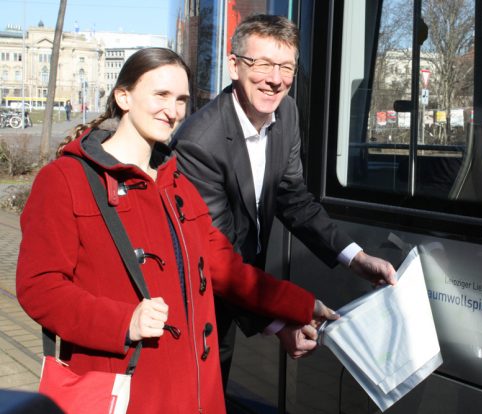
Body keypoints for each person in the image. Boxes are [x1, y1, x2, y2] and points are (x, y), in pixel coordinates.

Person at [16, 47, 338, 414]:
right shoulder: (64, 180)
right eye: (161, 95)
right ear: (124, 96)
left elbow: (224, 268)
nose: (173, 110)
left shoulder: (177, 182)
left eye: (182, 99)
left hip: (199, 393)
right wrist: (124, 321)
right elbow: (39, 286)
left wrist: (301, 305)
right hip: (124, 392)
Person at [173, 14, 397, 388]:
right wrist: (278, 322)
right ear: (234, 66)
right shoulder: (200, 143)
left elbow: (294, 198)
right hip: (199, 303)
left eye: (286, 67)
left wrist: (355, 259)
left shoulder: (286, 113)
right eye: (262, 64)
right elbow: (216, 261)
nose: (275, 79)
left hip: (237, 290)